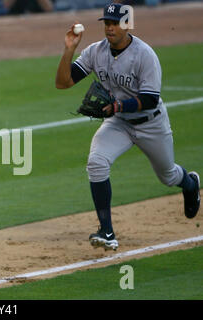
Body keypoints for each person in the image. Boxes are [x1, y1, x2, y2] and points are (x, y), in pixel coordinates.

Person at [55, 3, 200, 251]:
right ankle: (107, 231)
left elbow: (150, 98)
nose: (110, 28)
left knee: (168, 175)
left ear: (127, 25)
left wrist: (118, 107)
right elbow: (63, 83)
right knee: (97, 162)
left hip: (151, 123)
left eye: (115, 23)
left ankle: (190, 184)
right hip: (119, 123)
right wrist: (69, 50)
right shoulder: (95, 52)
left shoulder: (145, 55)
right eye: (107, 23)